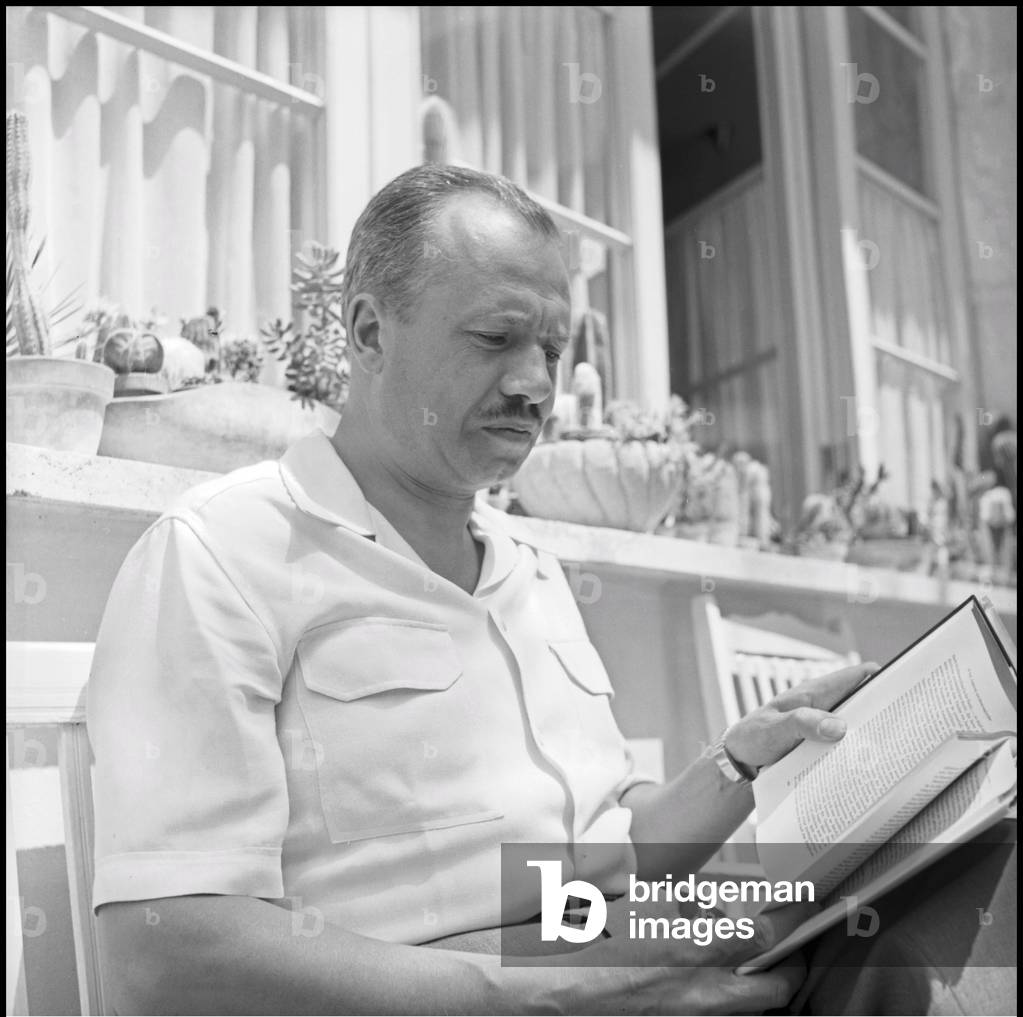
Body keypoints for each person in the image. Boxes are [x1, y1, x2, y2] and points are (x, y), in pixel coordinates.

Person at [87, 164, 1006, 1016]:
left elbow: (605, 851)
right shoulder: (223, 552)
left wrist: (738, 765)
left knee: (924, 897)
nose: (534, 385)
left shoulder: (529, 567)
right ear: (367, 331)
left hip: (580, 923)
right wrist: (556, 993)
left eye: (554, 350)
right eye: (494, 338)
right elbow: (163, 951)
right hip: (431, 977)